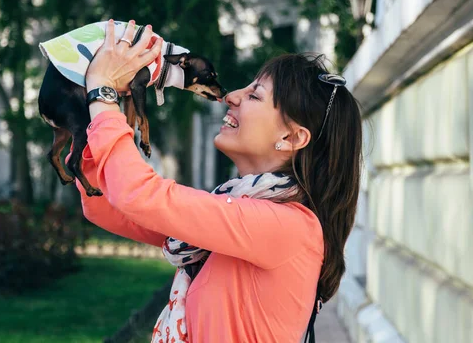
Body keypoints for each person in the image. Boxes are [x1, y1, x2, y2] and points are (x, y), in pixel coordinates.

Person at [76, 19, 362, 342]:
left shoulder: (289, 229)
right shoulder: (243, 213)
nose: (232, 96)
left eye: (255, 96)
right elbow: (104, 201)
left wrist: (102, 91)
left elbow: (139, 196)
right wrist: (90, 111)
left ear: (292, 136)